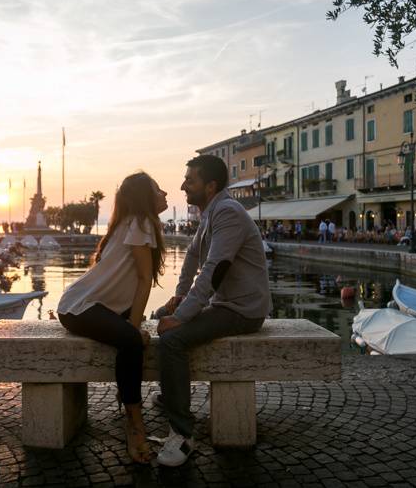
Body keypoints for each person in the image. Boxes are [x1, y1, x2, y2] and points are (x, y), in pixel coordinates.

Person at [152, 155, 270, 467]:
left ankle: (182, 434)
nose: (182, 186)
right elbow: (192, 259)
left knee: (172, 340)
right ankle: (171, 395)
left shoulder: (228, 212)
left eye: (190, 181)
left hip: (244, 310)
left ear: (211, 185)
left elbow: (214, 270)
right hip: (226, 304)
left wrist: (181, 317)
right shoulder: (210, 212)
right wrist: (177, 299)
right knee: (158, 323)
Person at [56, 172, 167, 464]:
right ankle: (135, 424)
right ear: (146, 196)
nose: (165, 193)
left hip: (89, 305)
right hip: (80, 307)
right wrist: (133, 328)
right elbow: (144, 281)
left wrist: (133, 325)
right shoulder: (140, 224)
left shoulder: (130, 224)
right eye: (158, 189)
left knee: (132, 339)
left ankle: (129, 408)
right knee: (131, 343)